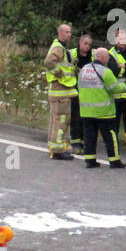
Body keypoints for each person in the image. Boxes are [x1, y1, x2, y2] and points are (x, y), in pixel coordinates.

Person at [77, 48, 126, 168]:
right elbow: (115, 89)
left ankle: (90, 160)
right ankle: (114, 161)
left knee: (89, 137)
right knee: (110, 137)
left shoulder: (83, 69)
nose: (109, 59)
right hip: (104, 112)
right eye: (108, 57)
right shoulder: (106, 72)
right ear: (103, 57)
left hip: (86, 111)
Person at [43, 24, 78, 160]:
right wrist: (60, 73)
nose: (69, 34)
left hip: (59, 92)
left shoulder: (62, 47)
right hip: (60, 92)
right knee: (61, 120)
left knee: (56, 120)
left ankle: (55, 147)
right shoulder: (58, 48)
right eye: (66, 32)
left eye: (70, 32)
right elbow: (49, 62)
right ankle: (58, 150)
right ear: (60, 33)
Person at [107, 29, 126, 143]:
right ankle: (113, 140)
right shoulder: (111, 53)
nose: (122, 41)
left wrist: (124, 65)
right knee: (115, 119)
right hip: (117, 93)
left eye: (124, 39)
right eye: (120, 39)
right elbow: (114, 70)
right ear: (115, 40)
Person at [68, 33, 95, 157]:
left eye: (89, 44)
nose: (87, 47)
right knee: (75, 117)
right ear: (80, 43)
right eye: (85, 43)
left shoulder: (93, 56)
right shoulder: (72, 54)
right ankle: (75, 143)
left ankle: (84, 142)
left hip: (88, 91)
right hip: (74, 89)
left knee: (85, 117)